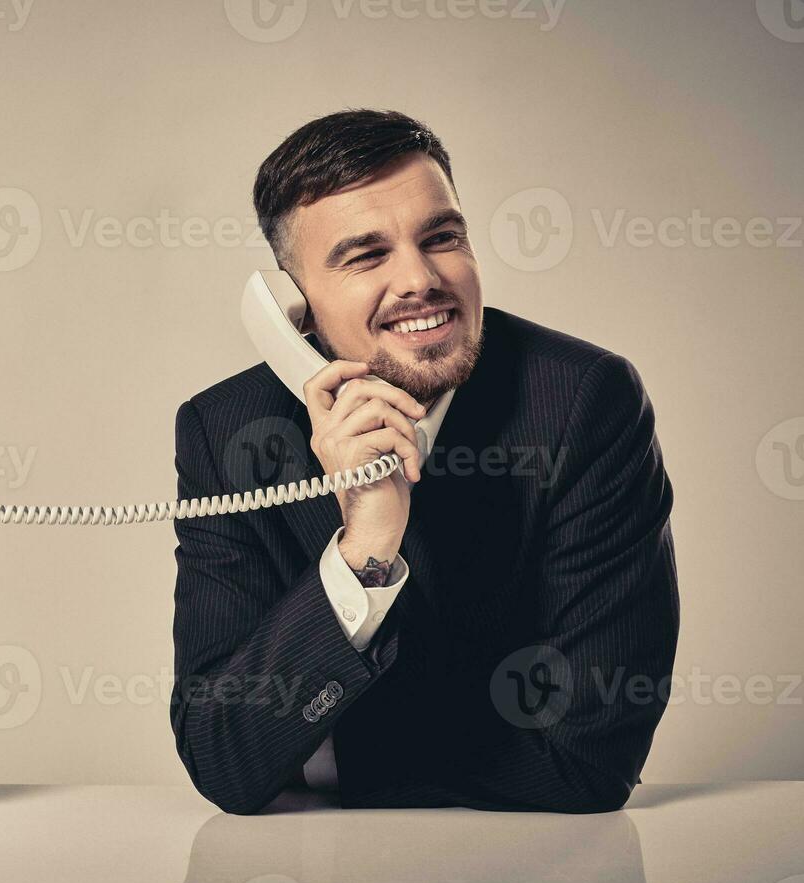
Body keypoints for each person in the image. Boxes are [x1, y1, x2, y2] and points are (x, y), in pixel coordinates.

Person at [171, 109, 679, 814]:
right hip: (299, 880)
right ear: (294, 309)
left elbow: (587, 762)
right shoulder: (226, 433)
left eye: (441, 238)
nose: (421, 279)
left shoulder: (583, 403)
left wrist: (335, 759)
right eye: (366, 255)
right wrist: (364, 550)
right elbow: (221, 759)